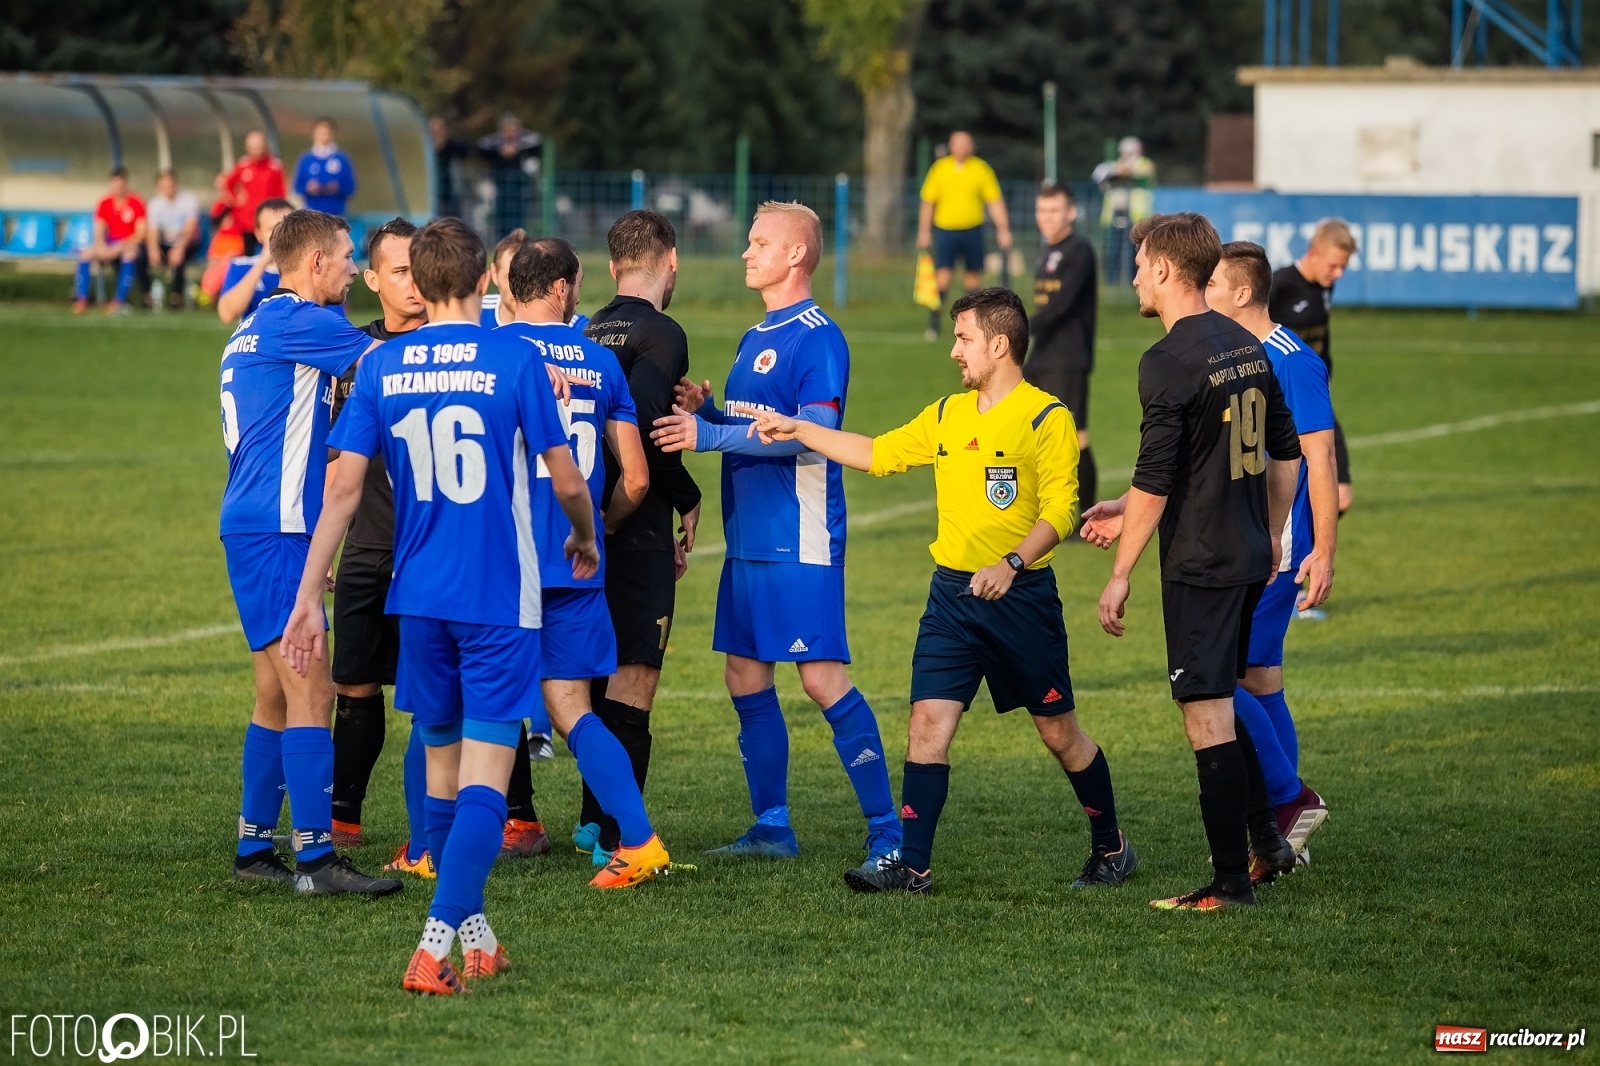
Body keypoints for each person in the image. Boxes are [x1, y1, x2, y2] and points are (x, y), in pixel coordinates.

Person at [279, 218, 647, 996]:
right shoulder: (512, 357)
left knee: (439, 768)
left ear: (416, 276)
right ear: (484, 281)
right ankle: (434, 944)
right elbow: (570, 479)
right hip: (496, 599)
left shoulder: (382, 363)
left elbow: (343, 488)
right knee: (486, 772)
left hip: (417, 599)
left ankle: (477, 934)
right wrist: (584, 537)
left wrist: (310, 595)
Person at [750, 288, 1136, 895]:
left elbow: (1061, 511)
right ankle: (914, 865)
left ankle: (1111, 845)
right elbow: (876, 453)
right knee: (926, 724)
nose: (954, 351)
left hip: (1022, 598)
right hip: (951, 598)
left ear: (999, 344)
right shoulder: (948, 414)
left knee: (1059, 734)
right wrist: (800, 428)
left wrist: (1012, 562)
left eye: (964, 338)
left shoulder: (1046, 418)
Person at [652, 201, 901, 872]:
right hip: (750, 538)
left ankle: (888, 829)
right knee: (743, 676)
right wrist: (703, 409)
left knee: (821, 679)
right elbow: (754, 423)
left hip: (800, 537)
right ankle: (772, 825)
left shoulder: (819, 338)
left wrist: (707, 433)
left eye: (760, 242)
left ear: (796, 255)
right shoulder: (757, 331)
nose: (746, 252)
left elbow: (804, 436)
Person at [1080, 212, 1300, 912]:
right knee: (1222, 702)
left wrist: (1120, 575)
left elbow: (1155, 479)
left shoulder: (1167, 359)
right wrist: (1267, 532)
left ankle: (1231, 884)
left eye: (1141, 262)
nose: (1136, 274)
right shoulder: (1245, 342)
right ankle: (1268, 845)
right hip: (1245, 553)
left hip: (1201, 563)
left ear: (1169, 270)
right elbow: (1282, 453)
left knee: (1204, 714)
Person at [217, 207, 398, 897]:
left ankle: (253, 847)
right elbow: (389, 361)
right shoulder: (301, 319)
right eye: (349, 256)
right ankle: (318, 862)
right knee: (311, 688)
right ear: (315, 263)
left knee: (274, 691)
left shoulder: (253, 326)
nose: (354, 268)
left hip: (254, 521)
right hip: (279, 526)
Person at [500, 236, 667, 883]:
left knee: (466, 700)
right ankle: (640, 840)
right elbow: (637, 478)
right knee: (574, 710)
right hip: (575, 562)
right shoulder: (601, 363)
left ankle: (434, 846)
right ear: (566, 287)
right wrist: (596, 527)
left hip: (505, 562)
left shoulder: (499, 352)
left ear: (513, 290)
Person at [1204, 242, 1337, 869]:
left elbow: (1321, 458)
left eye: (1211, 285)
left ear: (1239, 294)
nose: (1201, 294)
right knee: (1261, 679)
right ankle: (1290, 822)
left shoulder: (1291, 360)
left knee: (1217, 680)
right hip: (1253, 538)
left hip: (1277, 548)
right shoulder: (1238, 356)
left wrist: (1323, 551)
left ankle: (1288, 798)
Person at [577, 210, 703, 863]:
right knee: (635, 679)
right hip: (632, 518)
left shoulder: (588, 326)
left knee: (596, 676)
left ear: (610, 267)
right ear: (670, 261)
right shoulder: (662, 331)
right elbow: (651, 427)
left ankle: (590, 824)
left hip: (583, 521)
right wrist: (687, 495)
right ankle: (620, 838)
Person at [322, 218, 432, 876]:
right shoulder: (352, 356)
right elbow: (334, 459)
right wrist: (324, 545)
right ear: (371, 278)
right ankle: (344, 815)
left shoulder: (456, 350)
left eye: (420, 271)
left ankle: (433, 827)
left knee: (428, 694)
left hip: (430, 553)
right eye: (398, 272)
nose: (413, 284)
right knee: (353, 686)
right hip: (366, 546)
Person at [1269, 218, 1357, 530]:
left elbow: (1323, 339)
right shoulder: (1278, 285)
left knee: (1341, 496)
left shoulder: (1325, 287)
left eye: (1343, 267)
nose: (1339, 274)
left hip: (1316, 398)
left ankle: (1304, 550)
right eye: (1334, 266)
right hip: (1283, 403)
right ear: (1312, 252)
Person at [1026, 182, 1099, 526]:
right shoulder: (1046, 250)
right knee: (1031, 429)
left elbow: (1060, 305)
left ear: (1070, 212)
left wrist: (1018, 327)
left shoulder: (1079, 251)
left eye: (1054, 210)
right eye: (1042, 211)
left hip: (1068, 357)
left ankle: (1083, 516)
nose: (1047, 218)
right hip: (1041, 355)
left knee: (1075, 434)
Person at [916, 132, 1012, 341]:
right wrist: (924, 231)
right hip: (945, 231)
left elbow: (994, 201)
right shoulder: (940, 169)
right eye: (958, 144)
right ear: (951, 146)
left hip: (973, 230)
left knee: (973, 280)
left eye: (966, 143)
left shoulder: (981, 169)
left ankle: (973, 325)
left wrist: (1003, 229)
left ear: (972, 146)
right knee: (942, 279)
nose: (962, 147)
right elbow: (928, 202)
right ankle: (934, 326)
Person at [73, 167, 145, 315]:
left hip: (127, 243)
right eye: (114, 185)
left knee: (129, 254)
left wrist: (119, 247)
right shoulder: (105, 203)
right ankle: (82, 299)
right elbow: (99, 230)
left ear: (126, 184)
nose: (117, 189)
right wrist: (101, 246)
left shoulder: (136, 202)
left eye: (120, 185)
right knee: (85, 254)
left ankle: (119, 301)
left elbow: (140, 233)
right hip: (109, 243)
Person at [1092, 136, 1156, 287]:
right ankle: (1111, 282)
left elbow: (1138, 172)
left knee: (1135, 251)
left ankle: (1134, 281)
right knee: (1113, 249)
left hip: (1136, 217)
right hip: (1115, 214)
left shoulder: (1144, 164)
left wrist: (1120, 169)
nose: (1127, 155)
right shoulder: (1112, 166)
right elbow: (1098, 174)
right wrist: (1116, 169)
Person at [217, 199, 293, 324]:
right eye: (272, 229)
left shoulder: (310, 267)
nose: (281, 235)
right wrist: (262, 264)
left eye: (286, 228)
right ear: (258, 234)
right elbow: (227, 314)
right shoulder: (241, 266)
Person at [217, 131, 287, 256]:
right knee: (246, 254)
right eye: (253, 148)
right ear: (247, 148)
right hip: (246, 220)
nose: (257, 151)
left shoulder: (275, 166)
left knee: (271, 253)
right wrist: (235, 200)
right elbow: (228, 184)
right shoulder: (243, 165)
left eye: (259, 147)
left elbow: (281, 193)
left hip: (267, 219)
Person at [477, 113, 541, 242]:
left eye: (514, 130)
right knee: (501, 218)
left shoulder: (525, 141)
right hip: (500, 187)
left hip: (520, 187)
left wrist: (517, 147)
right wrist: (501, 149)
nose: (510, 134)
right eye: (507, 130)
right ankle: (502, 242)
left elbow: (537, 141)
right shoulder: (494, 142)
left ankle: (520, 242)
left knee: (519, 218)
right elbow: (481, 145)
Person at [144, 168, 200, 310]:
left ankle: (176, 295)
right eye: (164, 187)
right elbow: (152, 231)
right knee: (141, 255)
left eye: (170, 186)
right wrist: (153, 250)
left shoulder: (188, 200)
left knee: (179, 257)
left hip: (187, 242)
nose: (168, 190)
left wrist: (179, 248)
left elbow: (190, 229)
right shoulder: (154, 204)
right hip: (165, 242)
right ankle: (148, 294)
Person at [294, 118, 357, 217]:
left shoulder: (342, 158)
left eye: (327, 133)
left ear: (333, 134)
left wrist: (336, 187)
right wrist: (309, 187)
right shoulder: (306, 159)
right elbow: (298, 186)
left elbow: (351, 187)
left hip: (336, 214)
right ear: (314, 134)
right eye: (320, 132)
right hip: (312, 214)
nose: (324, 136)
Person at [480, 228, 527, 330]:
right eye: (509, 278)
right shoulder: (476, 314)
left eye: (525, 278)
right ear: (494, 274)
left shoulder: (552, 322)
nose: (518, 289)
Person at [430, 116, 470, 220]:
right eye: (434, 130)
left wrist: (444, 145)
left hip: (450, 192)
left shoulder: (451, 146)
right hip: (431, 192)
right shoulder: (425, 147)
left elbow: (466, 151)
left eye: (440, 130)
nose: (437, 133)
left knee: (452, 221)